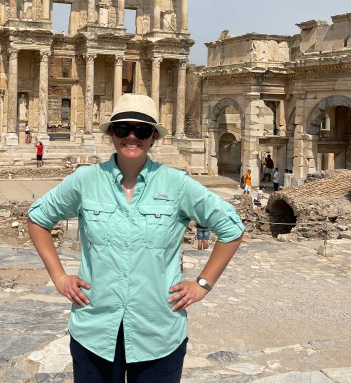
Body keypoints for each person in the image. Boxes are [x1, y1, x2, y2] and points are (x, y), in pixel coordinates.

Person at [27, 94, 244, 382]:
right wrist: (58, 277)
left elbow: (231, 227)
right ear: (111, 134)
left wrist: (202, 284)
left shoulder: (177, 184)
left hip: (158, 332)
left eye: (141, 130)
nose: (131, 136)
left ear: (154, 136)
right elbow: (37, 218)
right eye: (122, 129)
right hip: (95, 329)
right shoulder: (85, 180)